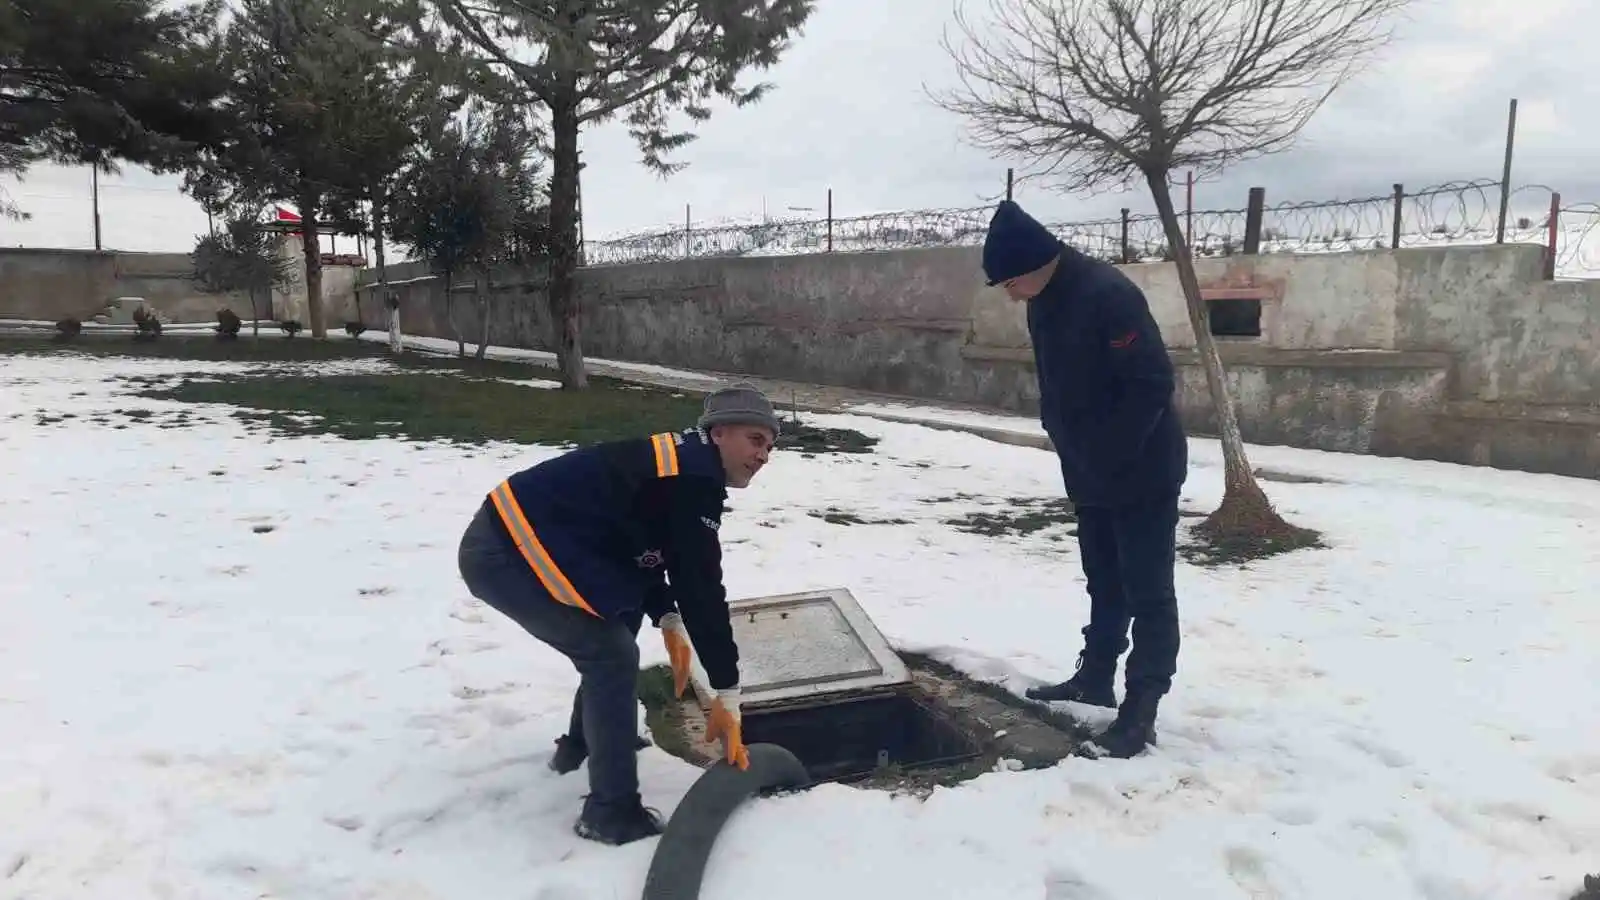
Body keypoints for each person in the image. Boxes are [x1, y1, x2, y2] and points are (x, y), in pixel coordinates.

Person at [456, 383, 780, 845]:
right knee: (609, 654)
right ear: (719, 432)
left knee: (618, 622)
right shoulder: (689, 477)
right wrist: (726, 687)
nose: (764, 455)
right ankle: (611, 813)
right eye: (755, 439)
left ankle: (582, 747)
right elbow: (700, 586)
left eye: (770, 446)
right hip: (506, 550)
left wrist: (663, 612)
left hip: (543, 542)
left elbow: (638, 544)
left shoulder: (681, 463)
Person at [980, 199, 1189, 760]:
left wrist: (1114, 456)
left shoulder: (1108, 295)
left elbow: (1150, 384)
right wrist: (1074, 449)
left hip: (1142, 468)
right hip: (1091, 469)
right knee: (1104, 578)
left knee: (1148, 590)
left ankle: (1139, 711)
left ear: (1033, 264)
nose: (1006, 292)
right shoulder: (1043, 297)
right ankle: (1095, 676)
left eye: (1007, 281)